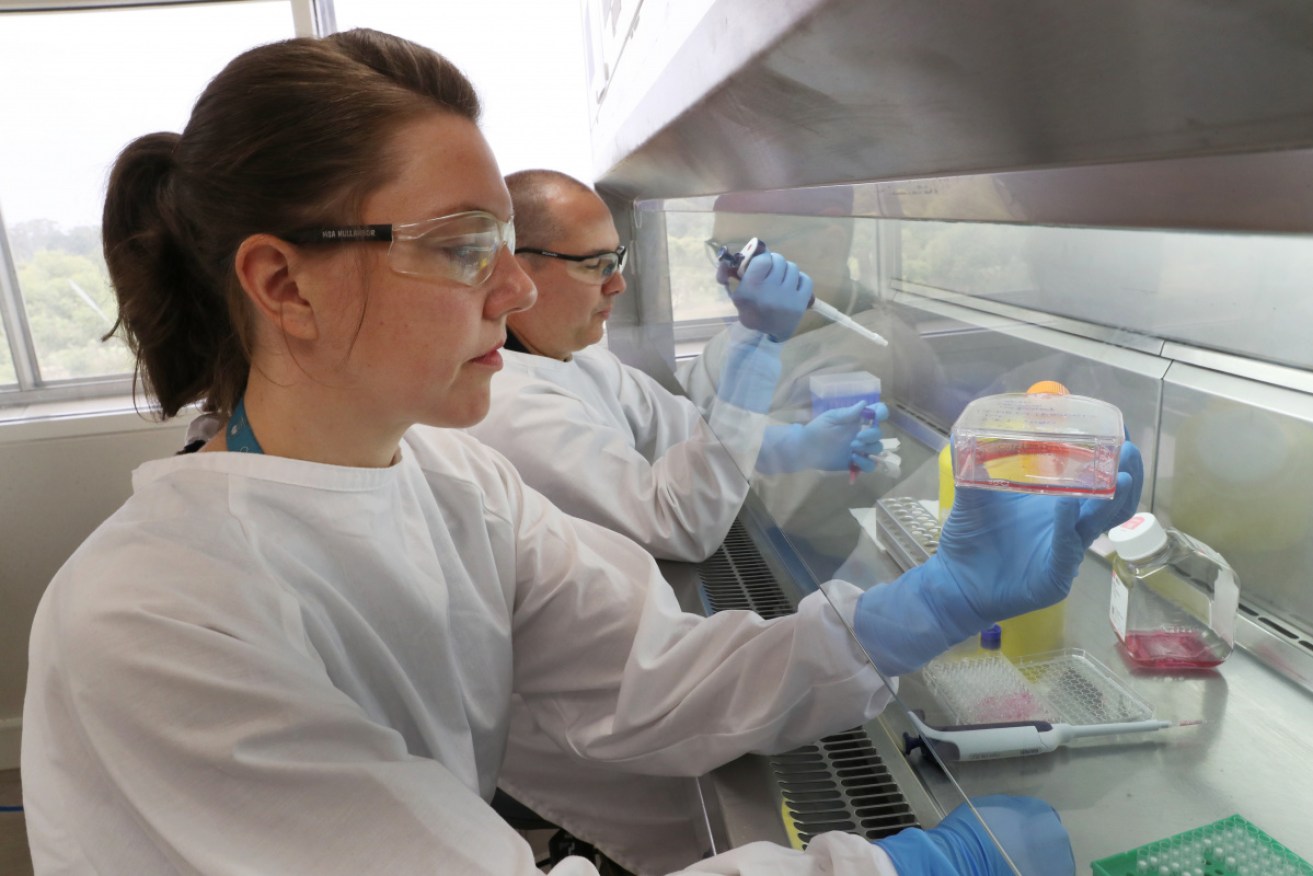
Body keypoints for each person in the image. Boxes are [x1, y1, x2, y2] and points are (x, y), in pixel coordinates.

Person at [19, 28, 1144, 876]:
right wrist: (902, 868)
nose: (512, 292)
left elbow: (656, 678)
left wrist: (937, 600)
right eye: (463, 249)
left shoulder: (453, 480)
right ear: (281, 286)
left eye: (507, 249)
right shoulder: (156, 621)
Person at [464, 170, 889, 563]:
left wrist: (796, 445)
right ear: (517, 271)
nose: (618, 285)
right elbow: (678, 525)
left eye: (617, 260)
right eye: (596, 266)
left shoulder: (580, 358)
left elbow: (681, 427)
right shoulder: (508, 407)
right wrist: (758, 345)